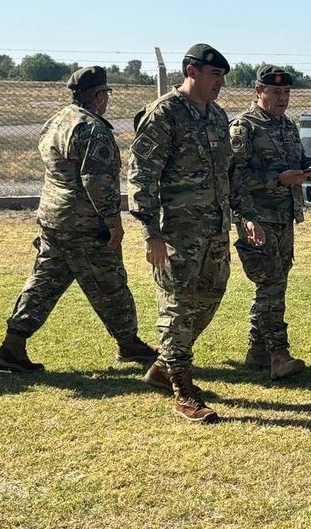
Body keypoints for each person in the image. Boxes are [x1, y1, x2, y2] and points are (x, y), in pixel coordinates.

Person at [128, 44, 263, 423]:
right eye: (214, 74)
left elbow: (229, 174)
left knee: (210, 296)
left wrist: (246, 217)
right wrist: (150, 232)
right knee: (177, 305)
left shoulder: (218, 117)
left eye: (223, 75)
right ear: (192, 70)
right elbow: (141, 175)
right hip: (177, 233)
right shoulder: (164, 114)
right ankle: (184, 390)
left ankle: (163, 365)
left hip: (216, 230)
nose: (221, 82)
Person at [0, 66, 157, 373]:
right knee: (111, 283)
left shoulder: (57, 120)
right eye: (105, 93)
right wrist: (112, 221)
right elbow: (98, 181)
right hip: (84, 223)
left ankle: (12, 345)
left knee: (44, 282)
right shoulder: (92, 128)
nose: (106, 99)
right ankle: (129, 342)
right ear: (97, 96)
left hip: (54, 217)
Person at [229, 65, 311, 380]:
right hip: (256, 217)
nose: (283, 98)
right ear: (258, 91)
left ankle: (257, 351)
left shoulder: (286, 125)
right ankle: (278, 354)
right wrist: (276, 179)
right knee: (270, 283)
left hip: (284, 216)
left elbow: (298, 160)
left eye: (286, 92)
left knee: (275, 282)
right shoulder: (243, 128)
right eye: (275, 92)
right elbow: (234, 177)